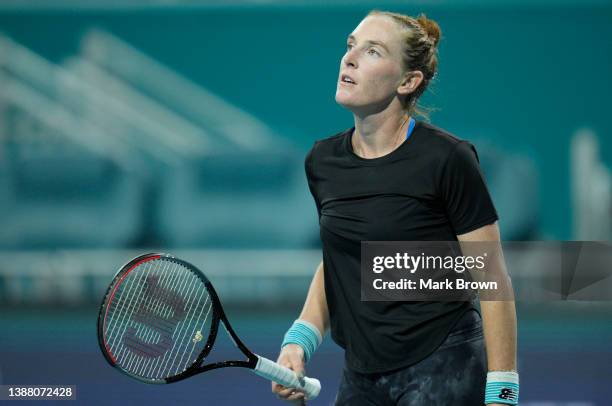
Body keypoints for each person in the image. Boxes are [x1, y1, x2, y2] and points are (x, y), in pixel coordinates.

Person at [272, 10, 518, 406]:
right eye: (350, 46)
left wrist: (503, 390)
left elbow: (492, 277)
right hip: (362, 373)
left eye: (372, 51)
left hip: (445, 361)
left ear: (408, 81)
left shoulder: (448, 158)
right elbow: (340, 261)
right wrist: (299, 341)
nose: (349, 59)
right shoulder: (322, 161)